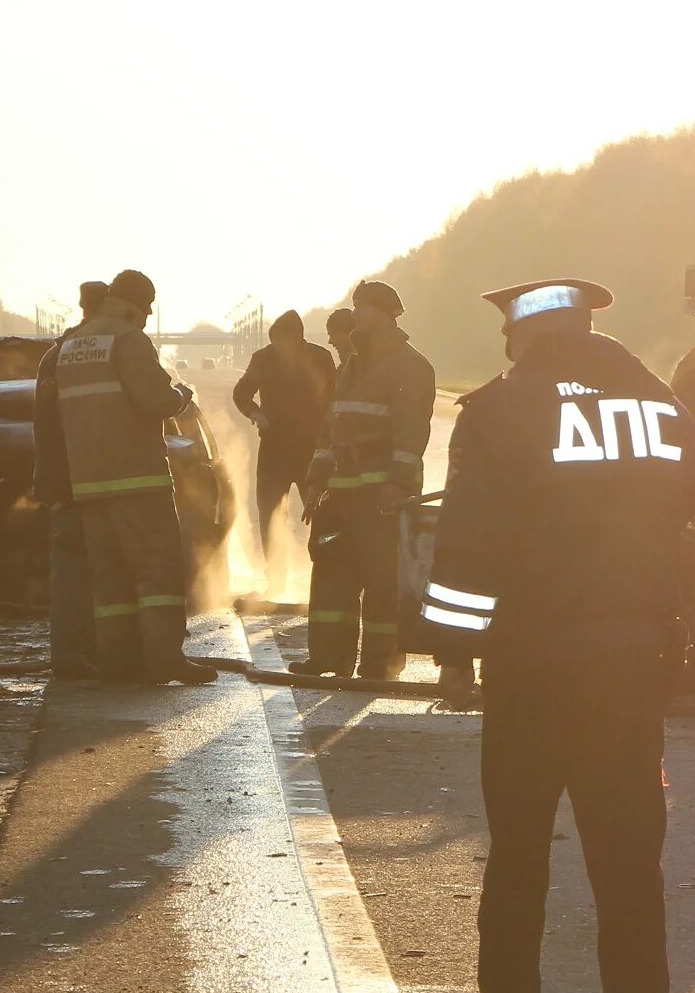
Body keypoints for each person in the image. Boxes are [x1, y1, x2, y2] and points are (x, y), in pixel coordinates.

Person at [423, 279, 695, 993]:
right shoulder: (655, 406)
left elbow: (469, 542)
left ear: (523, 336)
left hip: (531, 667)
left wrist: (452, 648)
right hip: (631, 664)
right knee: (627, 858)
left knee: (518, 853)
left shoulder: (500, 410)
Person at [47, 269, 213, 686]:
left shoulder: (70, 345)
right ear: (137, 304)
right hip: (137, 480)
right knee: (158, 572)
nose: (149, 313)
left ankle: (118, 663)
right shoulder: (128, 340)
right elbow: (154, 400)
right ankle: (163, 660)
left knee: (110, 580)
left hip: (89, 484)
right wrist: (181, 395)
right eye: (149, 305)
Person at [304, 282, 434, 679]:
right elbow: (331, 428)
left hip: (381, 494)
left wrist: (396, 484)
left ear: (387, 313)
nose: (356, 313)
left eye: (364, 307)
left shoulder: (410, 366)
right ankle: (328, 659)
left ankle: (380, 663)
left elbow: (411, 433)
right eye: (356, 305)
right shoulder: (351, 364)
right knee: (332, 577)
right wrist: (315, 481)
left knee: (382, 581)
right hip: (341, 492)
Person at [34, 279, 108, 679]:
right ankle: (99, 651)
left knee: (70, 572)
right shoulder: (107, 351)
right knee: (102, 570)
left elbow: (45, 426)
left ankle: (71, 654)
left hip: (64, 481)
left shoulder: (56, 355)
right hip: (99, 480)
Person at [231, 309, 336, 553]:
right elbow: (241, 392)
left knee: (322, 508)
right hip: (274, 448)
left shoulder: (320, 358)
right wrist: (254, 412)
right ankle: (275, 571)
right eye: (274, 342)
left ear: (298, 338)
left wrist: (329, 434)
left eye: (283, 342)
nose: (279, 348)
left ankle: (325, 562)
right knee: (269, 509)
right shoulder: (262, 359)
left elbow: (335, 398)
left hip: (313, 448)